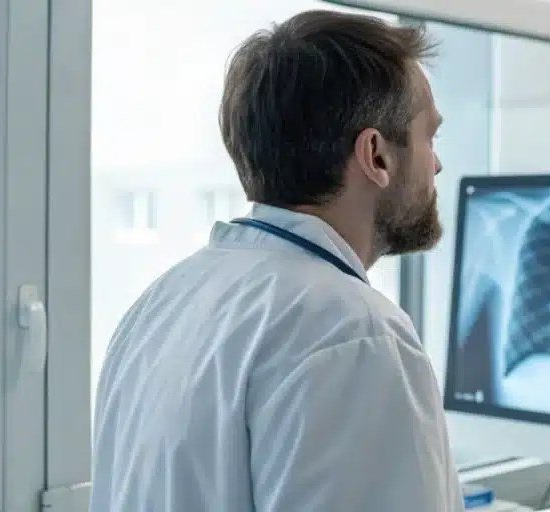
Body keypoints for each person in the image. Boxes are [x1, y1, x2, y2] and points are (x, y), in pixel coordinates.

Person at [90, 10, 463, 512]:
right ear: (376, 155)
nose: (436, 163)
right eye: (428, 137)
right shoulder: (354, 333)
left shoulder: (163, 301)